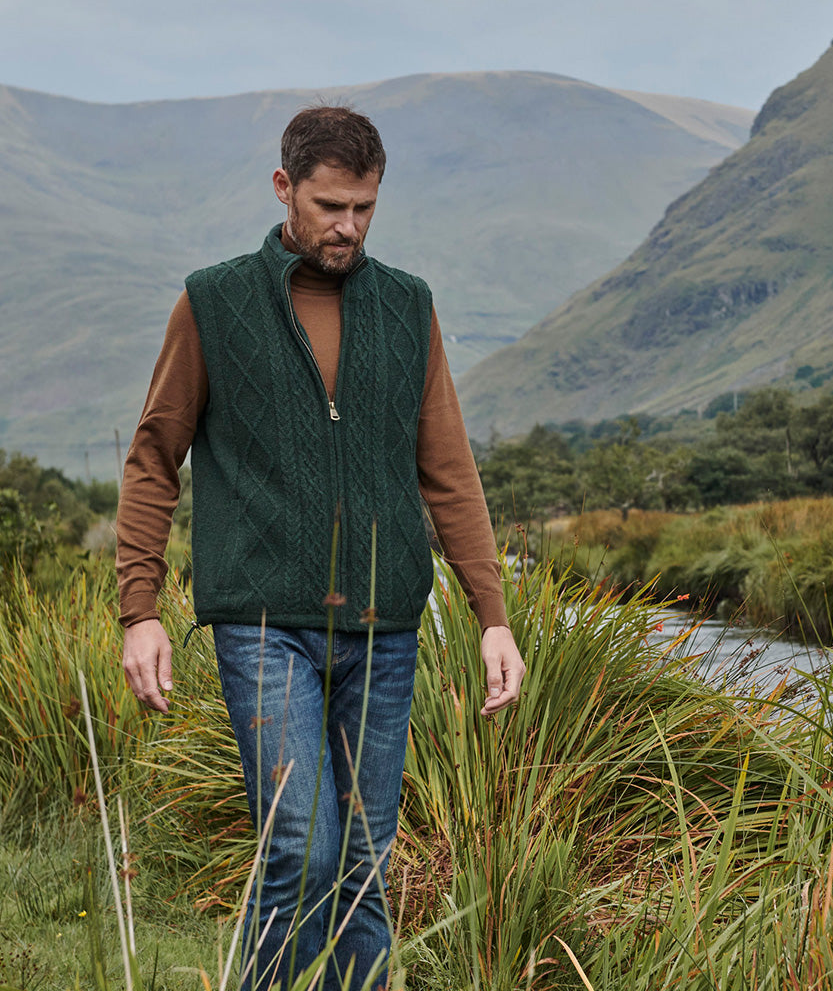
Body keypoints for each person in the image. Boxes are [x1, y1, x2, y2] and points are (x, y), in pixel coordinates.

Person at [115, 105, 526, 991]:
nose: (348, 227)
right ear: (284, 188)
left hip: (385, 629)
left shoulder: (407, 305)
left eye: (364, 208)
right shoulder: (214, 302)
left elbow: (449, 470)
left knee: (365, 869)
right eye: (330, 206)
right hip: (263, 624)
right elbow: (153, 456)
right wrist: (138, 609)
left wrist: (493, 616)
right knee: (299, 852)